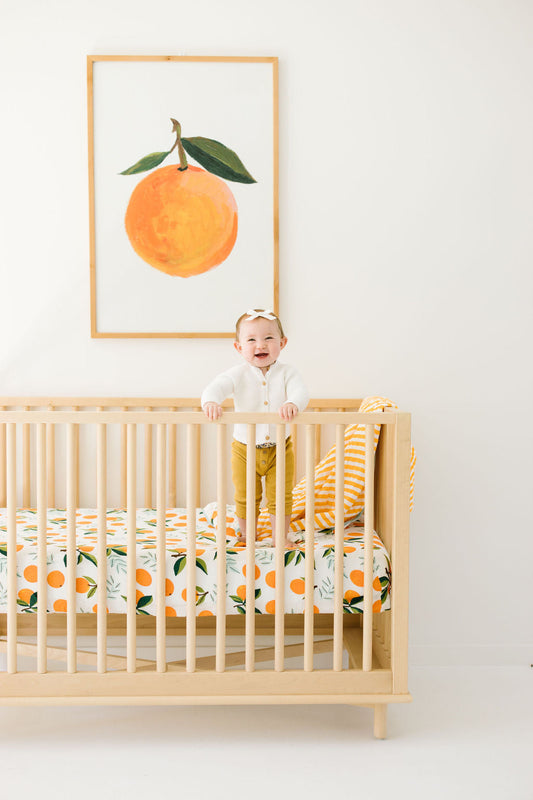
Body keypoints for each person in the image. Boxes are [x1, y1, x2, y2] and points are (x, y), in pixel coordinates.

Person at [201, 309, 309, 545]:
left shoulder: (288, 373)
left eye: (269, 338)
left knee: (280, 495)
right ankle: (247, 534)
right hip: (244, 449)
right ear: (239, 347)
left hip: (280, 448)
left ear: (282, 343)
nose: (260, 344)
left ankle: (280, 536)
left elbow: (301, 392)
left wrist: (293, 403)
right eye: (251, 339)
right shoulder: (237, 374)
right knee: (246, 495)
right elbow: (215, 387)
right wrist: (210, 402)